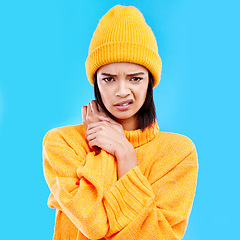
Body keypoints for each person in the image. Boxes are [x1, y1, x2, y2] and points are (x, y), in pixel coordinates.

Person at [42, 5, 198, 240]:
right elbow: (93, 224)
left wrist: (125, 153)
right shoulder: (62, 143)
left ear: (150, 82)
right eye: (109, 79)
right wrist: (103, 147)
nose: (122, 91)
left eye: (135, 78)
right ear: (96, 82)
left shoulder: (178, 153)